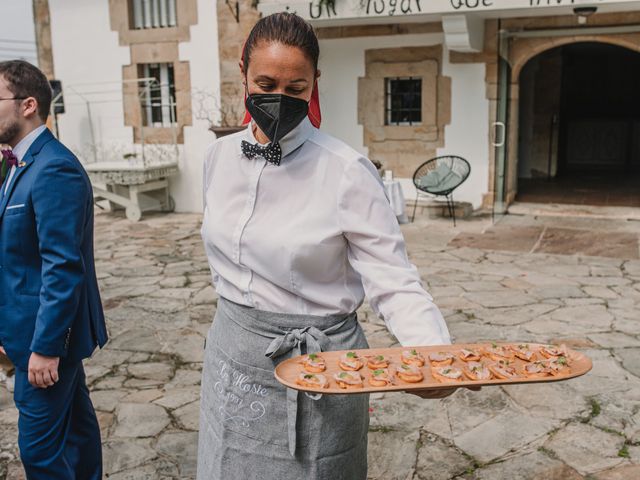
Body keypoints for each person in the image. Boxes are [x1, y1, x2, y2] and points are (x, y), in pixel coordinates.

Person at [198, 13, 453, 479]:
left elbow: (392, 277)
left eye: (295, 89)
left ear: (315, 82)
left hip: (321, 363)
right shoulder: (218, 157)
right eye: (265, 82)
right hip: (233, 355)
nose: (279, 98)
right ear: (243, 73)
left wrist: (430, 351)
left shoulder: (346, 170)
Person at [0, 60, 107, 479]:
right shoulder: (20, 164)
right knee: (78, 435)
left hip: (41, 343)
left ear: (28, 105)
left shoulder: (54, 167)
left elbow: (62, 267)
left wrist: (45, 348)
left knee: (39, 454)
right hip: (25, 332)